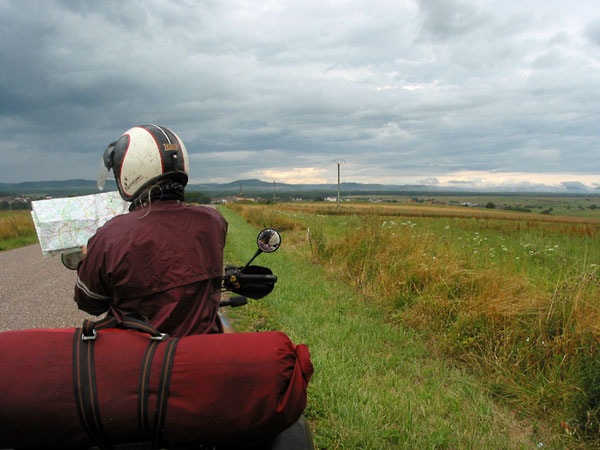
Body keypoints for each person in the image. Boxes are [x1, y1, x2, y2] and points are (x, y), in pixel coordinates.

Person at [74, 124, 228, 337]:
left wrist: (86, 260)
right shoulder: (213, 221)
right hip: (202, 352)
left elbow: (90, 303)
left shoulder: (110, 235)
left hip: (141, 359)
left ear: (130, 170)